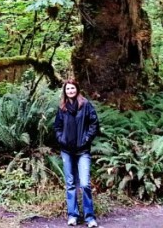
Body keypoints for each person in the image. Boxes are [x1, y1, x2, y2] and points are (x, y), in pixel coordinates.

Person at [53, 79, 99, 227]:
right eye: (68, 89)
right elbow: (57, 127)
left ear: (77, 89)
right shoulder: (62, 107)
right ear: (65, 91)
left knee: (85, 184)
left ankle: (89, 217)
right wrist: (61, 139)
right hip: (67, 150)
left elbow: (94, 123)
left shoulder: (85, 105)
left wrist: (86, 139)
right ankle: (72, 215)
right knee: (70, 184)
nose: (70, 91)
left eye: (72, 88)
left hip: (83, 150)